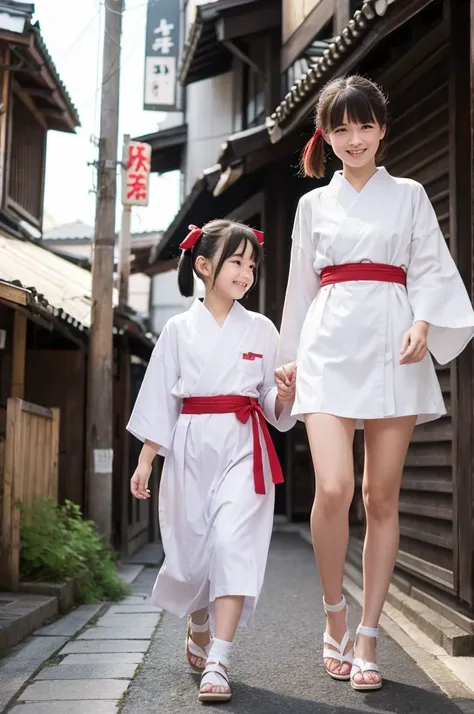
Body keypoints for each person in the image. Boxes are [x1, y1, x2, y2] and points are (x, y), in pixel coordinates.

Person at [276, 75, 474, 692]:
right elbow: (300, 291)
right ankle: (334, 611)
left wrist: (422, 320)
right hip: (329, 346)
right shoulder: (313, 205)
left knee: (380, 497)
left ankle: (368, 633)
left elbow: (431, 269)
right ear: (326, 136)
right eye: (341, 128)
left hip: (394, 344)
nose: (354, 138)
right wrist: (288, 359)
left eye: (365, 126)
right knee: (333, 488)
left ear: (383, 129)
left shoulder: (411, 194)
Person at [127, 219, 296, 703]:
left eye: (251, 264)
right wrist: (145, 462)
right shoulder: (178, 330)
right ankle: (198, 618)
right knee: (189, 555)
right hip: (189, 447)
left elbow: (268, 402)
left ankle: (220, 658)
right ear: (204, 266)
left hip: (244, 444)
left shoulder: (262, 329)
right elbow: (161, 399)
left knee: (232, 542)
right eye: (235, 262)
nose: (246, 272)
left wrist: (282, 396)